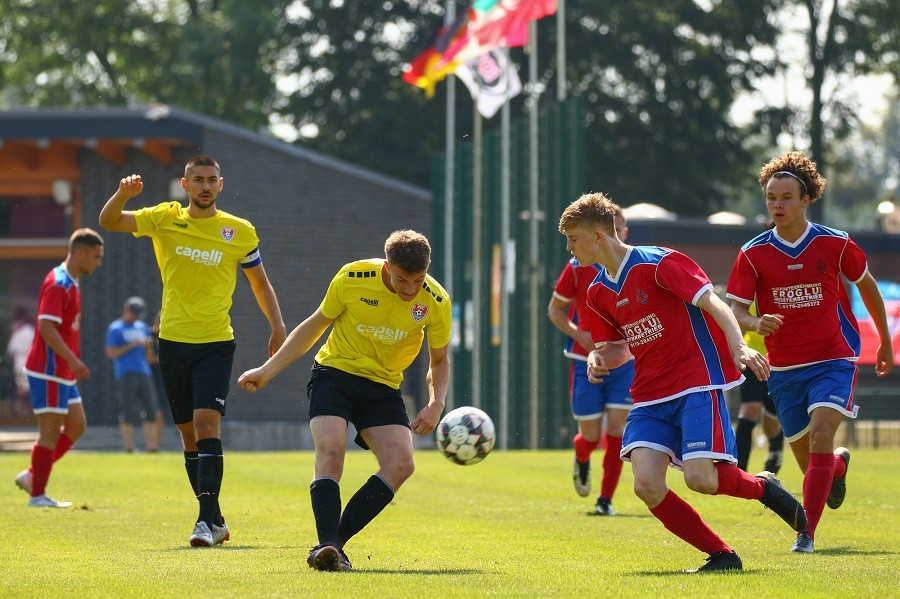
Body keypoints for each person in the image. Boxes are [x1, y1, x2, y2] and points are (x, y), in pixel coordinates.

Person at [558, 193, 806, 573]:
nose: (570, 247)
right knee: (646, 485)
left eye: (573, 238)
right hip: (648, 396)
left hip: (695, 383)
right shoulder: (596, 292)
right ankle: (723, 555)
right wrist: (597, 358)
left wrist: (740, 348)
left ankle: (763, 488)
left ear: (597, 237)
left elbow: (716, 304)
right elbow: (618, 349)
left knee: (701, 480)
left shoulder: (660, 263)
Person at [98, 155, 287, 547]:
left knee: (206, 426)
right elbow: (108, 221)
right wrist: (122, 193)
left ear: (220, 184)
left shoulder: (240, 231)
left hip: (216, 343)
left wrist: (278, 325)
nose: (204, 185)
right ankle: (215, 517)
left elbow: (260, 284)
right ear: (185, 185)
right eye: (197, 179)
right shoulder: (164, 218)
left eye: (211, 180)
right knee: (187, 437)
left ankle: (203, 523)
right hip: (172, 342)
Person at [237, 230, 451, 573]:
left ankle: (332, 545)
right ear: (387, 265)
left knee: (402, 463)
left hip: (382, 386)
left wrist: (436, 403)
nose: (410, 289)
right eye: (401, 279)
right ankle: (328, 546)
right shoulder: (353, 277)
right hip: (334, 375)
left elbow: (439, 361)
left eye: (418, 280)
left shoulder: (436, 301)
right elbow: (313, 327)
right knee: (332, 450)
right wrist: (267, 370)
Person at [726, 150, 894, 554]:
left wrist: (885, 341)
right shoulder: (753, 252)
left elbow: (868, 286)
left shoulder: (835, 244)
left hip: (833, 360)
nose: (777, 204)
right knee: (813, 460)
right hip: (783, 370)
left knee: (820, 435)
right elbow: (734, 310)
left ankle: (806, 534)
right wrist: (753, 323)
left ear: (806, 200)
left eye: (786, 197)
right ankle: (838, 464)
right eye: (771, 197)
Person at [548, 205, 633, 515]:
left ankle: (605, 499)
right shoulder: (576, 266)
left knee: (616, 429)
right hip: (585, 359)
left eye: (621, 229)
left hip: (625, 363)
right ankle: (581, 454)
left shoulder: (634, 265)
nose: (617, 234)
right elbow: (555, 310)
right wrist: (578, 334)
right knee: (592, 435)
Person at [14, 228, 105, 507]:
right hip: (49, 368)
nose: (98, 263)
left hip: (62, 370)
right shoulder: (59, 283)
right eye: (95, 257)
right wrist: (73, 360)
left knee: (76, 426)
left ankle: (33, 475)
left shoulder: (72, 281)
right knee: (50, 432)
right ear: (80, 253)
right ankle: (38, 494)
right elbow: (45, 327)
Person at [105, 296, 162, 452]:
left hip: (145, 372)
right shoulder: (115, 328)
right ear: (126, 310)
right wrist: (132, 344)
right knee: (128, 411)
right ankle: (128, 446)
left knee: (151, 409)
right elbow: (111, 353)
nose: (136, 317)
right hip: (126, 373)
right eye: (134, 313)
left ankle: (151, 446)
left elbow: (150, 354)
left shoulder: (143, 327)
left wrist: (149, 345)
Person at [734, 302, 784, 475]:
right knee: (748, 411)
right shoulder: (748, 295)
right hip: (752, 358)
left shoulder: (781, 292)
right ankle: (740, 472)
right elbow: (735, 315)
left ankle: (775, 450)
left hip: (779, 362)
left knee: (771, 423)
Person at [6, 306, 35, 417]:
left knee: (22, 391)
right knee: (25, 390)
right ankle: (26, 413)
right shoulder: (31, 331)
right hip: (30, 366)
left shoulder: (19, 333)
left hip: (20, 366)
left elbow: (11, 351)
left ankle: (23, 413)